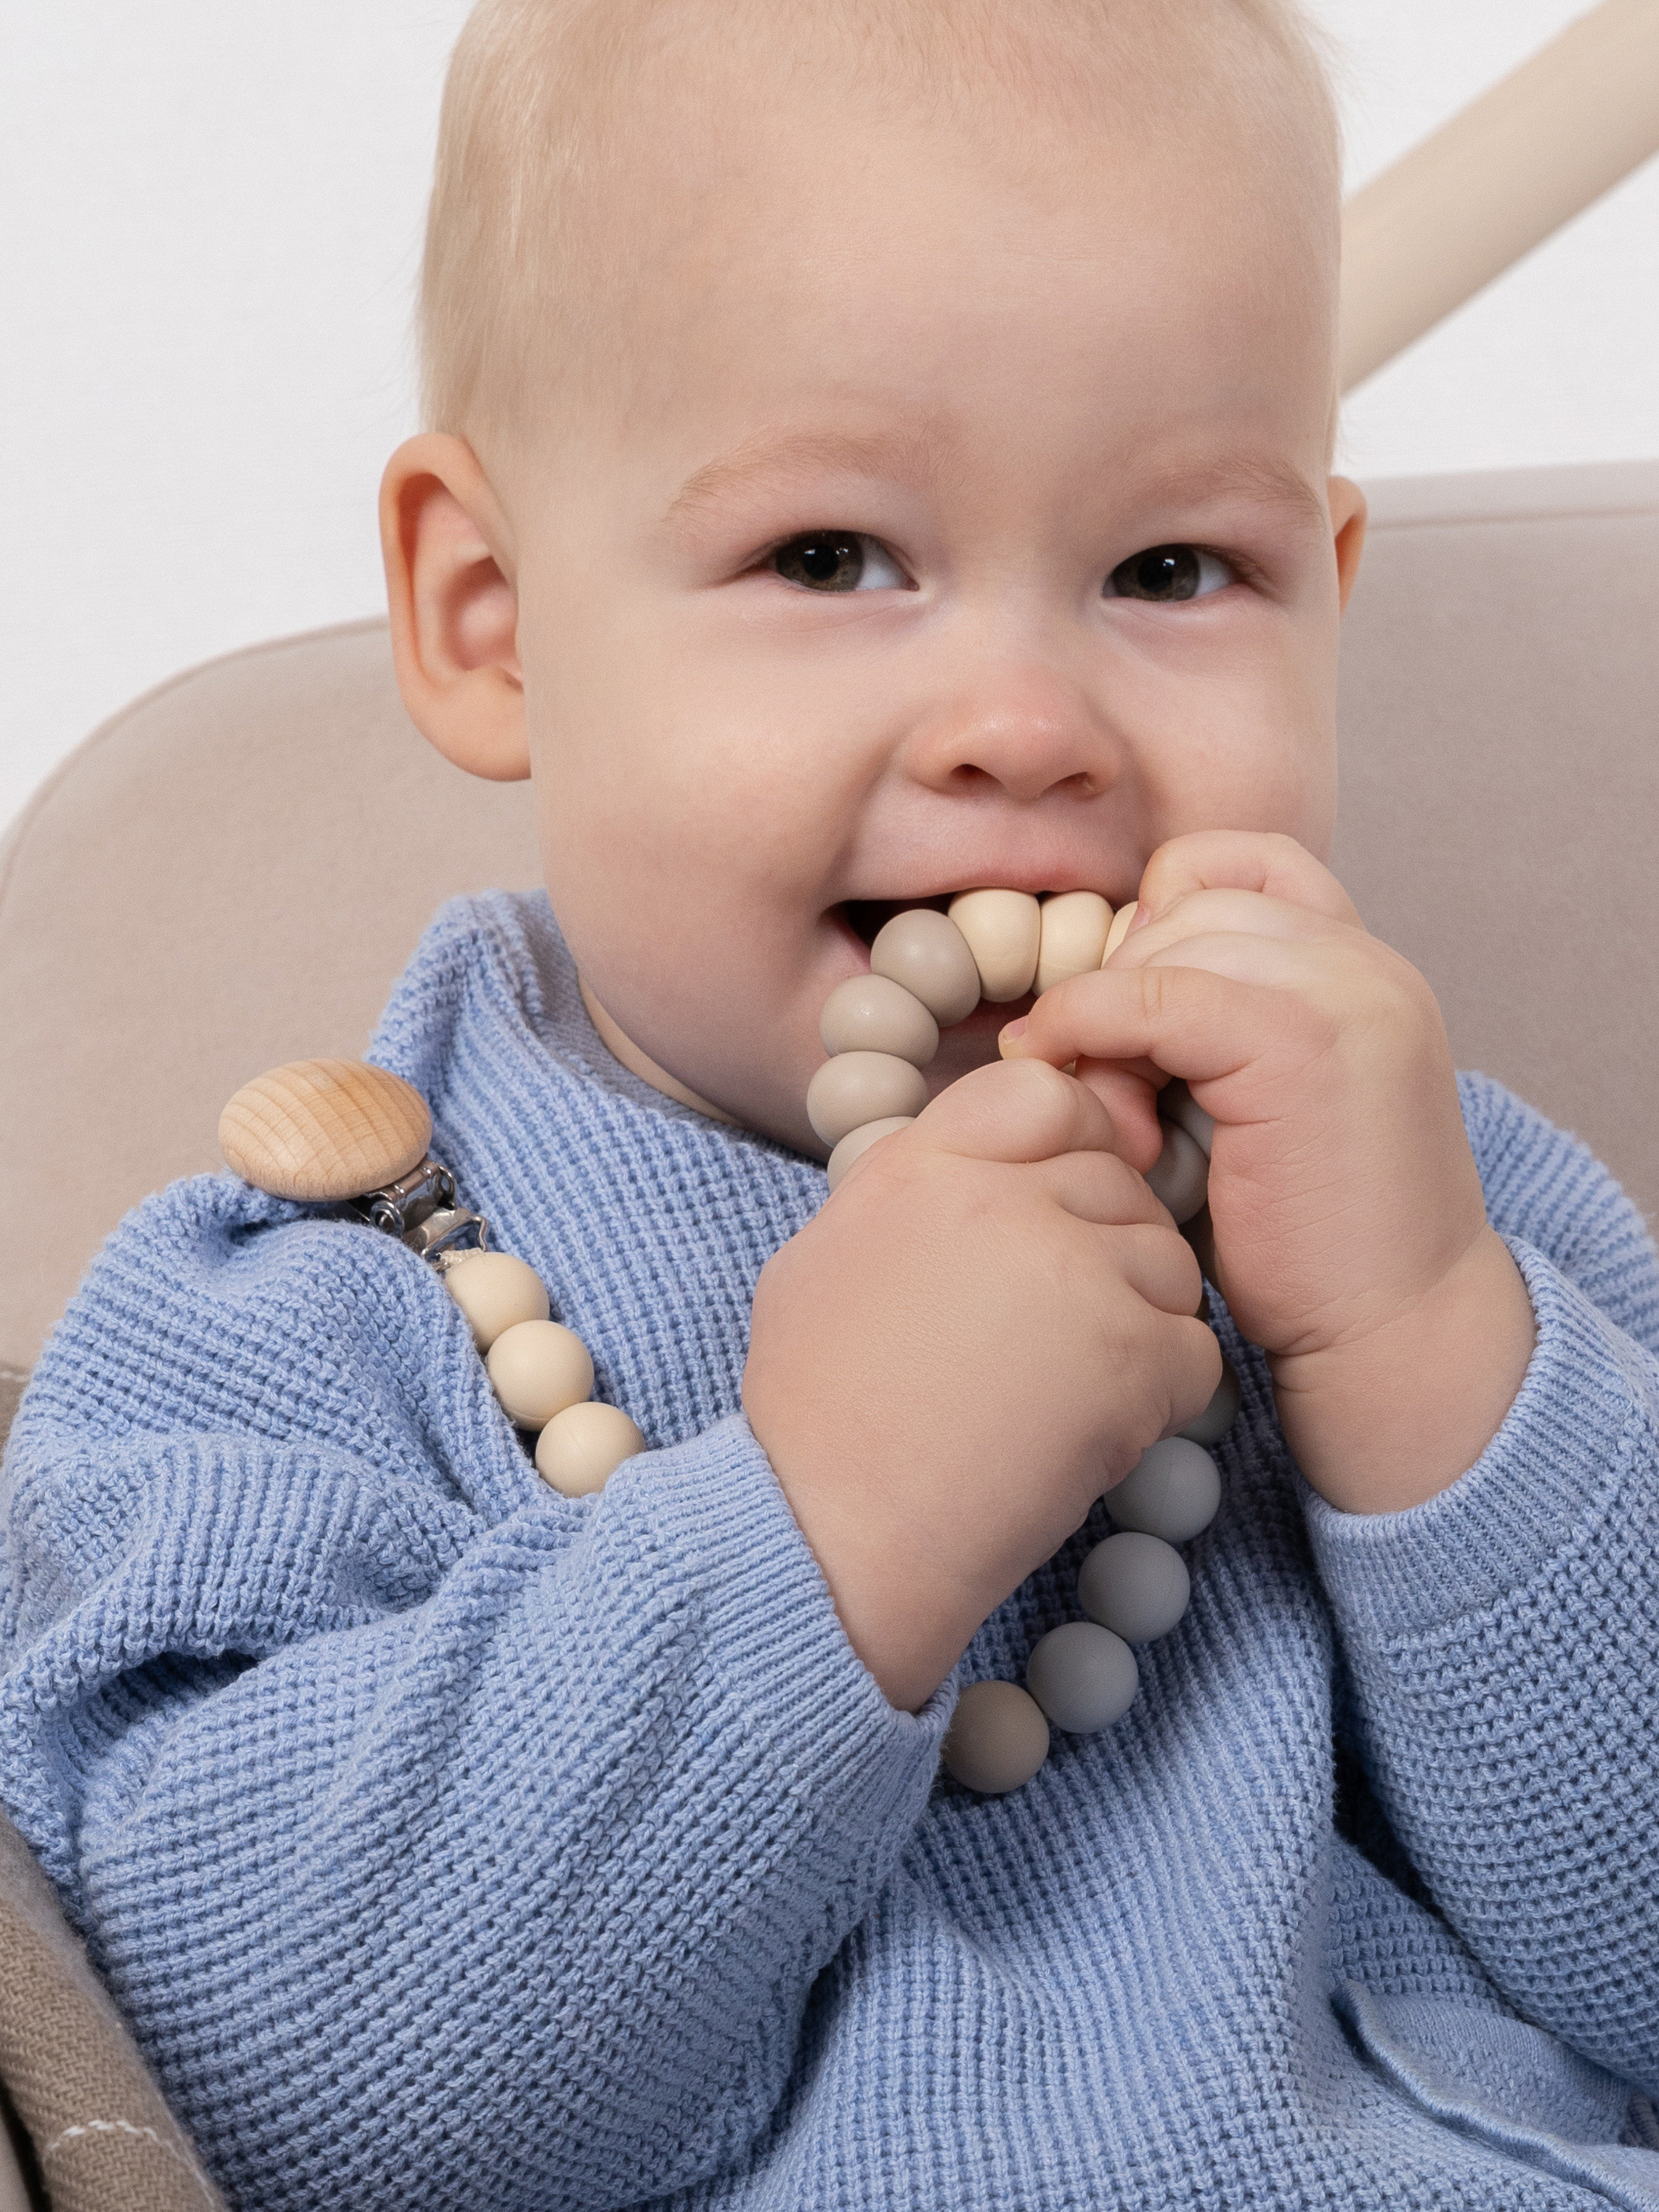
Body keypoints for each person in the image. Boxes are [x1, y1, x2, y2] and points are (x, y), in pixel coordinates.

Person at [4, 0, 1657, 2205]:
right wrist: (823, 1528)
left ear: (1322, 607)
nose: (1022, 720)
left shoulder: (1425, 1202)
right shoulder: (302, 1307)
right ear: (490, 622)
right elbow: (262, 2098)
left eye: (1174, 571)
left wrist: (1437, 1363)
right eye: (829, 557)